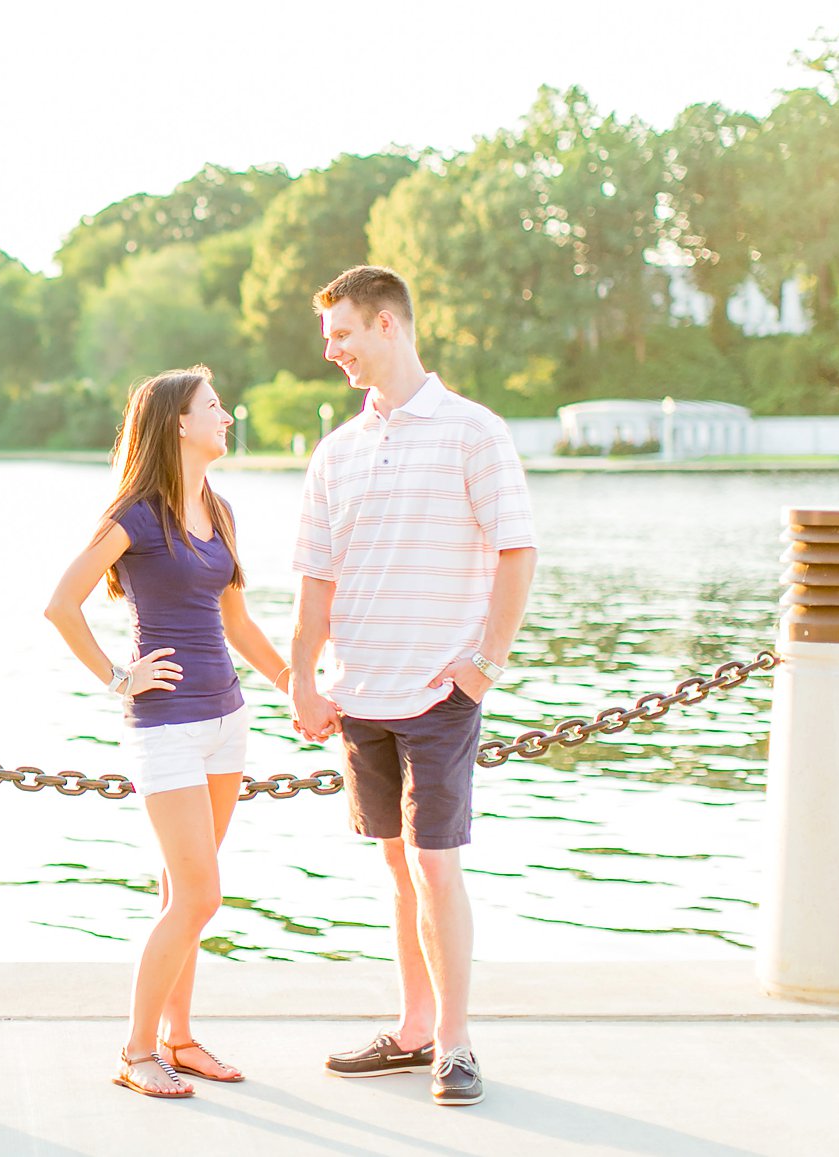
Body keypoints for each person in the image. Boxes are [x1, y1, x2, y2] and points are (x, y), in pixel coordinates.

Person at [287, 266, 537, 1107]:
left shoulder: (475, 432)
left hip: (439, 698)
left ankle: (457, 1044)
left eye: (343, 334)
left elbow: (516, 551)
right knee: (398, 871)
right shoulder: (337, 451)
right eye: (329, 339)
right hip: (360, 697)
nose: (333, 352)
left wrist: (483, 665)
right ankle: (413, 1028)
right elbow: (316, 580)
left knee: (435, 866)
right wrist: (301, 677)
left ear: (388, 324)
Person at [45, 365, 295, 1099]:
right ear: (179, 424)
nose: (226, 415)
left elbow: (238, 621)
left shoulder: (220, 509)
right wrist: (118, 676)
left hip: (227, 719)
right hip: (166, 728)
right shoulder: (137, 514)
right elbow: (62, 604)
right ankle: (135, 1050)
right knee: (198, 893)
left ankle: (180, 1039)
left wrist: (298, 689)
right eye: (214, 407)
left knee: (184, 889)